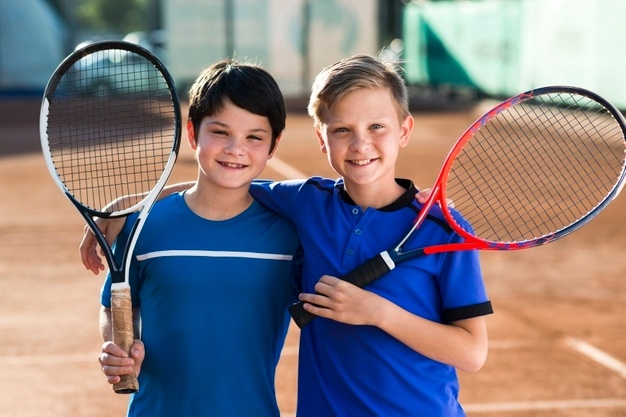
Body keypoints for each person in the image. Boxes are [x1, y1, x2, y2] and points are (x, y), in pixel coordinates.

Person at [83, 54, 492, 416]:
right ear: (322, 137)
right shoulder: (308, 204)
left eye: (377, 127)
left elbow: (472, 353)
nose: (360, 143)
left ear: (404, 130)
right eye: (342, 130)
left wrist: (377, 312)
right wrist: (128, 207)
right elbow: (226, 183)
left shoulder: (442, 229)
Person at [89, 59, 303, 417]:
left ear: (274, 144)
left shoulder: (291, 233)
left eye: (254, 137)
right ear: (192, 133)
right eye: (220, 132)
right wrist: (117, 345)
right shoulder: (142, 227)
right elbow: (116, 304)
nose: (236, 149)